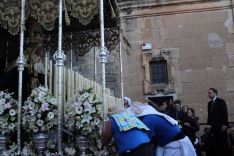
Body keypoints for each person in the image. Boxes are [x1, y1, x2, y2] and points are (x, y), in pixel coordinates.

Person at [129, 101, 197, 156]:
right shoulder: (151, 116)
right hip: (172, 143)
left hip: (174, 144)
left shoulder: (147, 119)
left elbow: (145, 140)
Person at [207, 88, 231, 156]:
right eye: (208, 93)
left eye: (210, 93)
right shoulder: (209, 103)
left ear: (215, 93)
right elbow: (209, 115)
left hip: (221, 126)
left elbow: (224, 113)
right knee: (216, 144)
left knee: (223, 143)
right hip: (213, 127)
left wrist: (225, 124)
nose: (208, 94)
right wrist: (208, 125)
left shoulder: (221, 101)